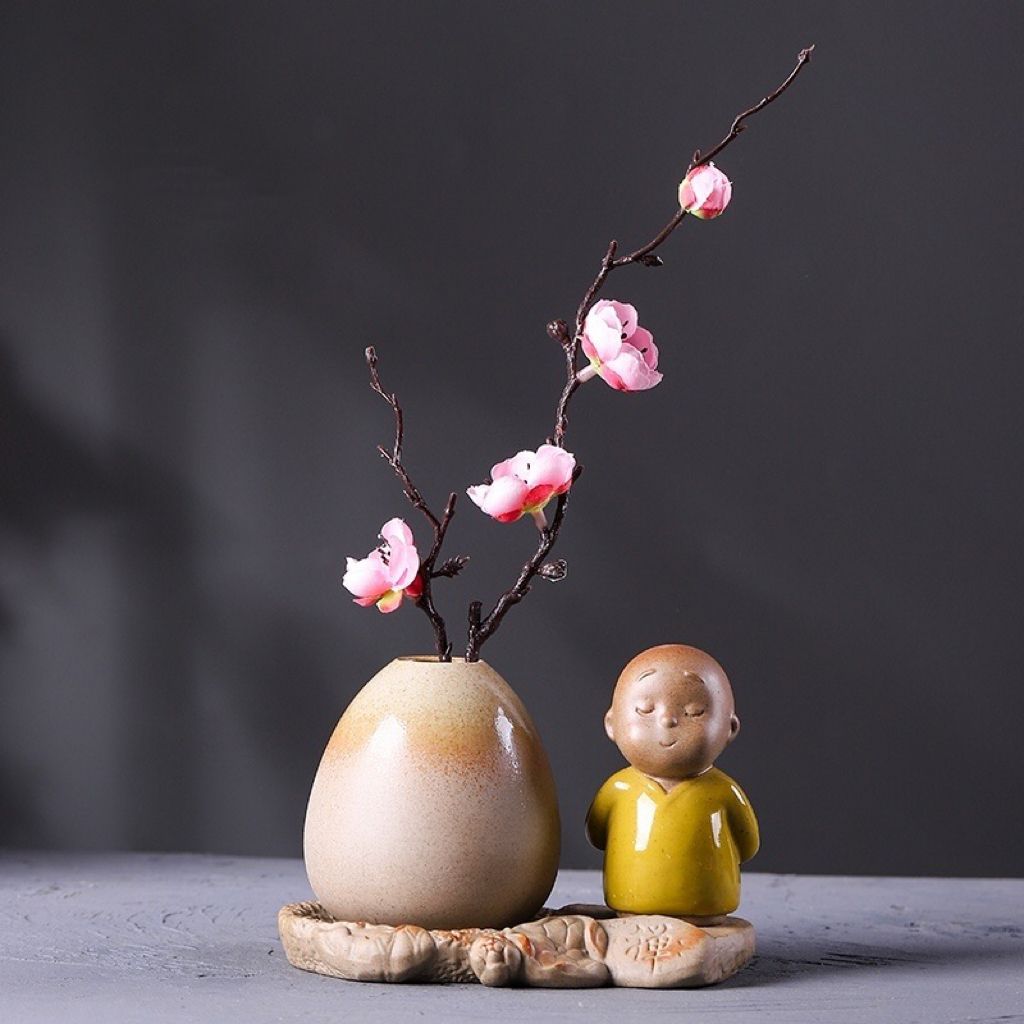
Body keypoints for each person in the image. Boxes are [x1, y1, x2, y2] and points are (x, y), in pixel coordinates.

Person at [586, 644, 759, 919]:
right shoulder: (619, 788)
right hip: (630, 903)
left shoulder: (723, 791)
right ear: (612, 724)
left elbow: (748, 845)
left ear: (730, 728)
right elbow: (597, 834)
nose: (667, 720)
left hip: (707, 906)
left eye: (694, 711)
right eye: (645, 709)